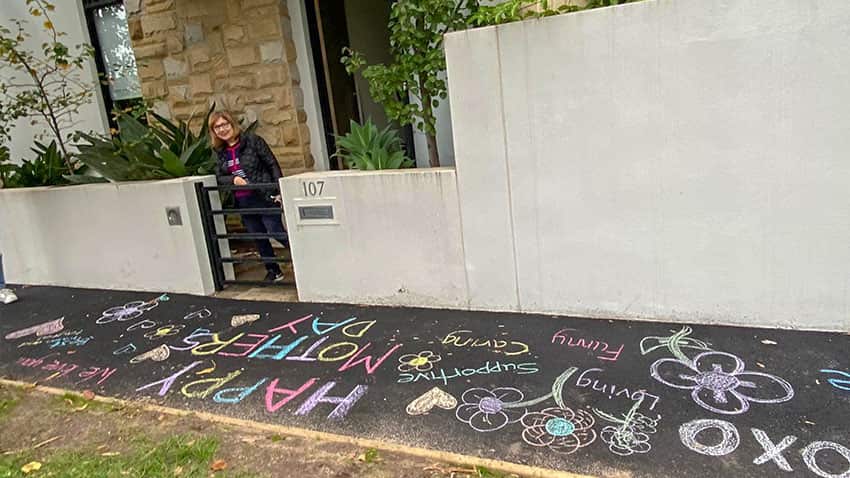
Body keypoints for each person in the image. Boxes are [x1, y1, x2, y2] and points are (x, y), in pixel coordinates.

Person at [210, 111, 289, 283]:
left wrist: (278, 190)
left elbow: (272, 164)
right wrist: (233, 179)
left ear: (232, 124)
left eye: (225, 124)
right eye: (217, 127)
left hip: (264, 195)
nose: (222, 129)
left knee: (276, 231)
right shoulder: (220, 152)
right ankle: (273, 271)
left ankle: (304, 259)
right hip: (243, 200)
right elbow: (218, 176)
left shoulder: (253, 141)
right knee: (258, 237)